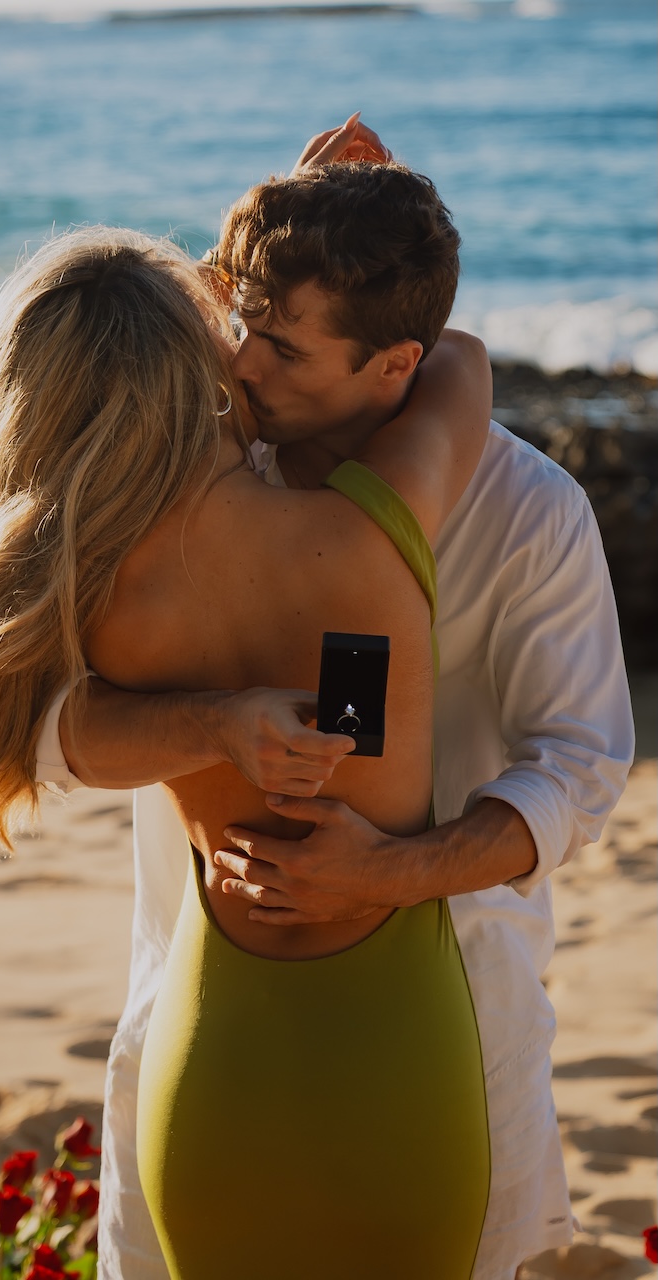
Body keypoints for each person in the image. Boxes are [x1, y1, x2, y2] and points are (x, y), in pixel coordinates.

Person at [0, 203, 496, 1274]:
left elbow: (50, 735)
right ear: (210, 360)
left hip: (218, 1056)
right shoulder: (368, 526)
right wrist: (312, 239)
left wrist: (214, 722)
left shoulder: (93, 602)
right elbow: (458, 360)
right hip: (396, 1052)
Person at [38, 125, 635, 1280]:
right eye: (239, 329)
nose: (240, 368)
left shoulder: (530, 512)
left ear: (394, 367)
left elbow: (580, 770)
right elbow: (49, 737)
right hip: (195, 1005)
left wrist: (387, 868)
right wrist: (210, 722)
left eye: (280, 350)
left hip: (447, 1027)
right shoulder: (179, 476)